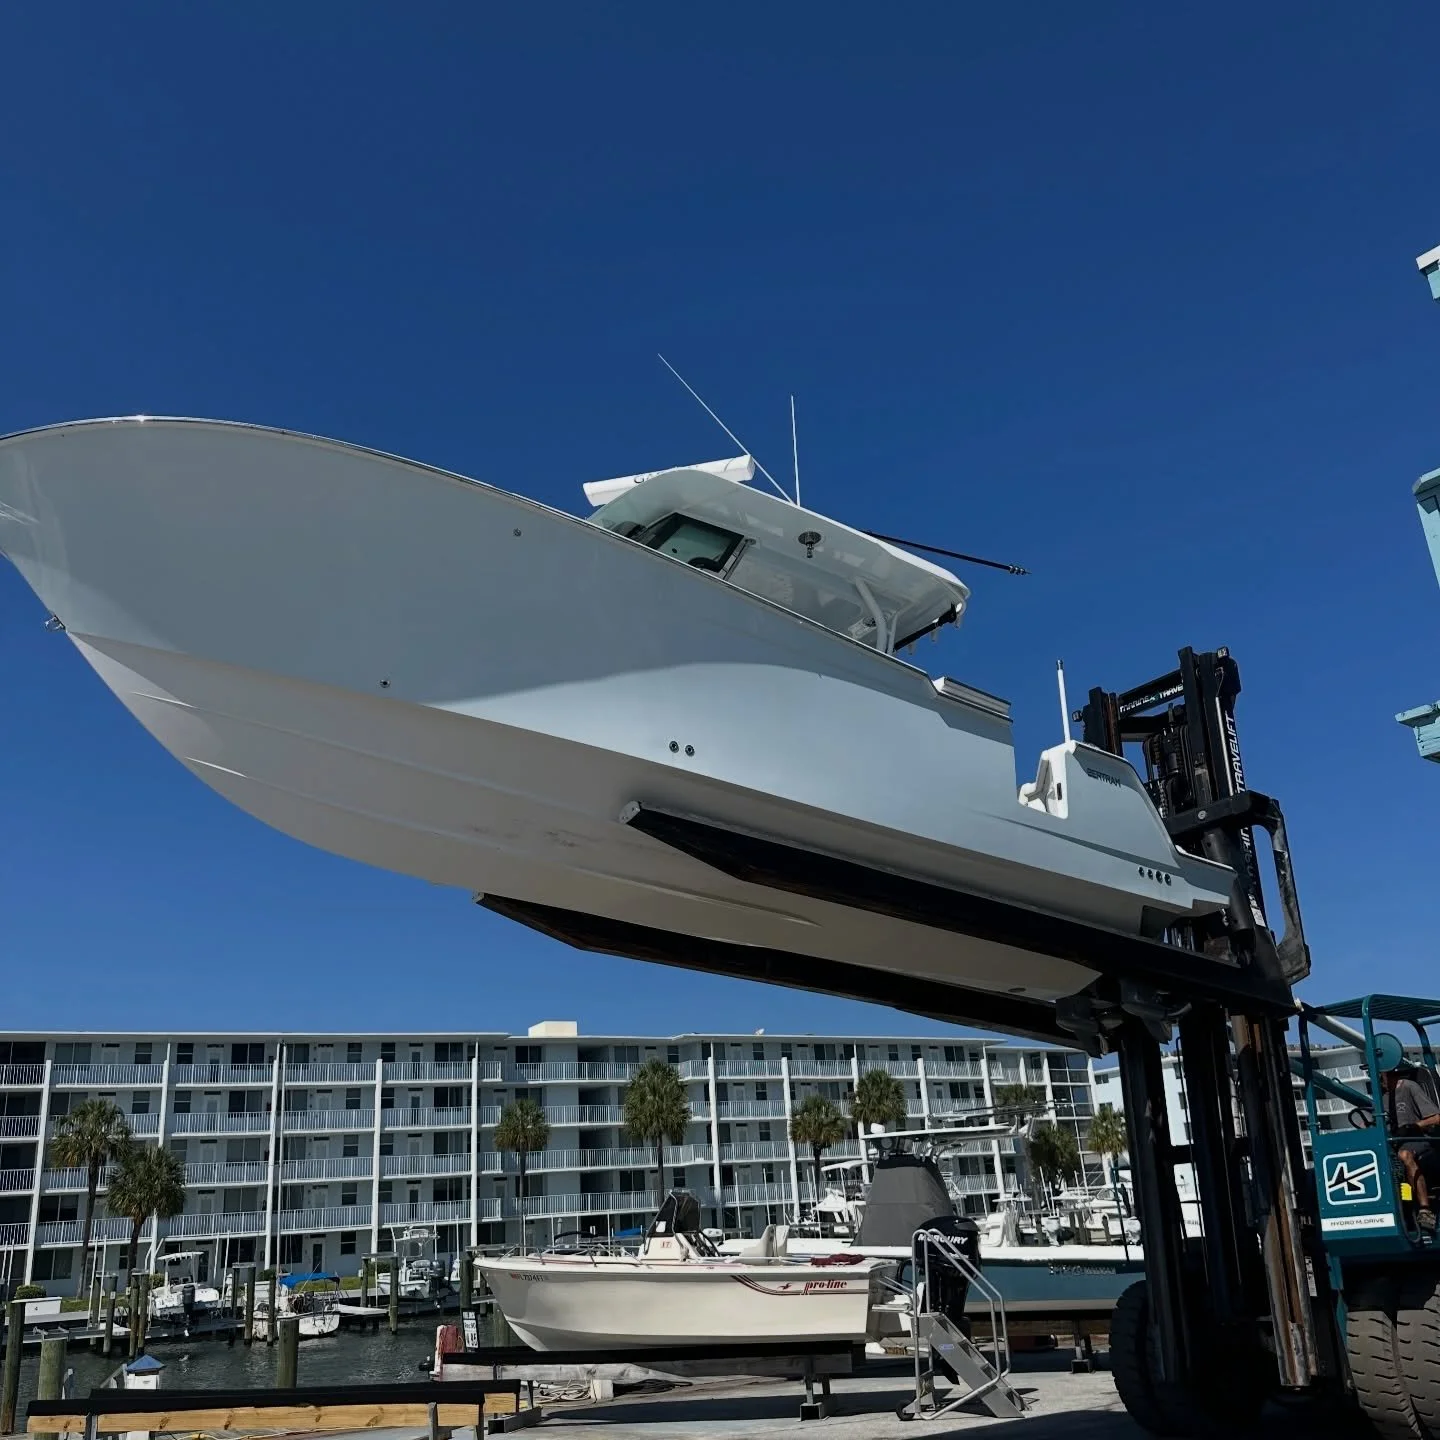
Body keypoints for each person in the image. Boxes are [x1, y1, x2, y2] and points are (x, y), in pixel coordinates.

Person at [1381, 1064, 1440, 1231]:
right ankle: (1398, 1210)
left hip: (1417, 1139)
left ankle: (1425, 1210)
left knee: (1405, 1155)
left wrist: (1413, 1127)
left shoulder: (1408, 1087)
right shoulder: (1382, 1097)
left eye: (1380, 1075)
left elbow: (1436, 1118)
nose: (1378, 1080)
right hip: (1393, 1143)